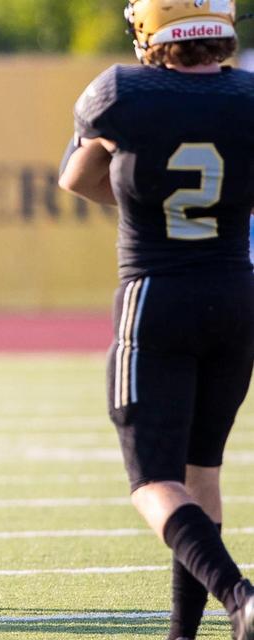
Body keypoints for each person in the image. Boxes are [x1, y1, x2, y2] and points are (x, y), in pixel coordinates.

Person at [59, 2, 254, 638]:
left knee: (152, 481)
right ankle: (183, 634)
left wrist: (149, 202)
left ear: (150, 28)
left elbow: (76, 177)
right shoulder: (248, 93)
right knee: (204, 472)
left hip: (157, 294)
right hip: (235, 293)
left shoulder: (122, 91)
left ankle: (239, 596)